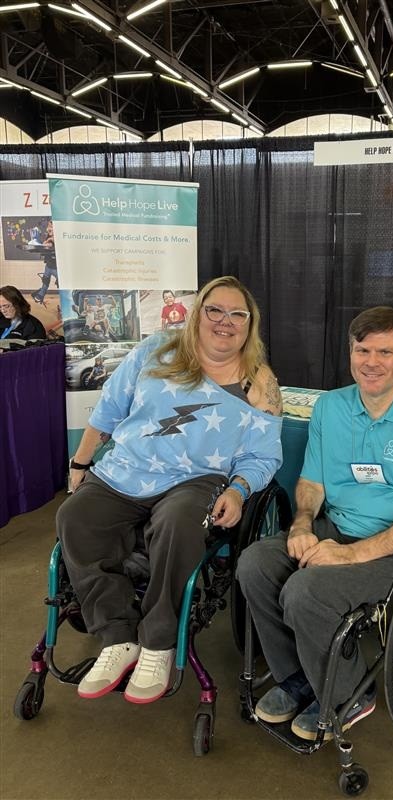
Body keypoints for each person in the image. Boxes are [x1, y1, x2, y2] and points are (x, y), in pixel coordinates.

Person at [237, 306, 393, 741]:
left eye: (385, 351)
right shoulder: (331, 408)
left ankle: (349, 694)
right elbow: (311, 482)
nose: (372, 362)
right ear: (350, 352)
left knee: (305, 592)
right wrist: (302, 523)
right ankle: (299, 676)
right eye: (363, 350)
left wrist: (349, 554)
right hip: (335, 527)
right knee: (255, 564)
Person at [57, 276, 283, 705]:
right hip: (128, 469)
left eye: (238, 314)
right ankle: (117, 636)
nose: (225, 322)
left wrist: (237, 490)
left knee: (179, 522)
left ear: (250, 324)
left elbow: (264, 457)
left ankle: (159, 642)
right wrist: (81, 463)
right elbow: (108, 410)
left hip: (195, 480)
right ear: (198, 313)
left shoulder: (260, 381)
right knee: (75, 517)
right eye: (215, 310)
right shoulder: (155, 350)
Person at [30, 220, 58, 305]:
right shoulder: (48, 236)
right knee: (45, 282)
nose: (48, 228)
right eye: (48, 226)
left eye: (51, 226)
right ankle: (40, 296)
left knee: (62, 284)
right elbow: (45, 244)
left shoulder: (58, 236)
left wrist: (50, 239)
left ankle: (65, 301)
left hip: (57, 267)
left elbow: (50, 244)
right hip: (49, 265)